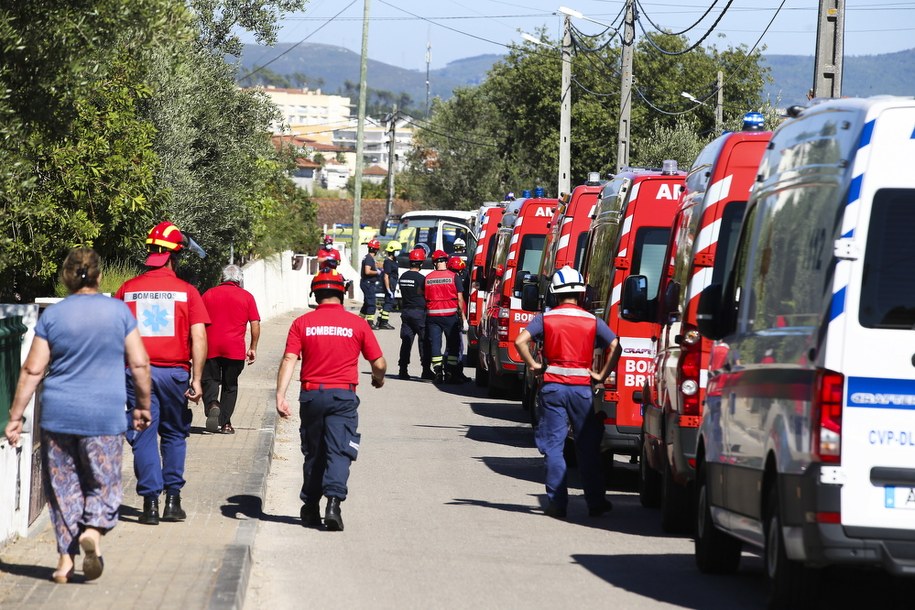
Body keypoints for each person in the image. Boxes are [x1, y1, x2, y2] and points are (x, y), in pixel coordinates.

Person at [4, 248, 152, 583]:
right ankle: (93, 532)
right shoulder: (118, 312)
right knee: (104, 481)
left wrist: (16, 416)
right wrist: (143, 405)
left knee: (63, 489)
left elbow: (32, 369)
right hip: (104, 416)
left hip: (58, 416)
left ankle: (63, 563)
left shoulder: (54, 316)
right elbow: (140, 363)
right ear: (99, 275)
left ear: (66, 277)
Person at [275, 269, 387, 531]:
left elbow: (290, 359)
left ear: (315, 294)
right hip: (343, 396)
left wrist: (280, 395)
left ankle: (310, 506)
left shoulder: (301, 323)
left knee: (314, 452)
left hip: (312, 395)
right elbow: (378, 363)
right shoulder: (357, 324)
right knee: (339, 451)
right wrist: (378, 379)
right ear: (343, 293)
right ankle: (333, 502)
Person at [116, 220, 210, 526]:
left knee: (142, 434)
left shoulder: (128, 290)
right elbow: (198, 337)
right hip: (175, 374)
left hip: (136, 374)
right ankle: (173, 501)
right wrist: (197, 379)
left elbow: (114, 334)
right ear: (175, 256)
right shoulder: (187, 292)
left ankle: (150, 504)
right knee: (173, 434)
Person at [514, 265, 620, 520]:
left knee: (554, 446)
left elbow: (520, 341)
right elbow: (616, 346)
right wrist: (602, 375)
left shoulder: (546, 318)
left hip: (552, 389)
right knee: (587, 447)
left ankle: (557, 504)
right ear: (581, 292)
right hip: (582, 391)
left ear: (555, 293)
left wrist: (535, 365)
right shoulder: (591, 320)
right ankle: (595, 503)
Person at [201, 264, 261, 434]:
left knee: (209, 380)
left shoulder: (208, 294)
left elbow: (198, 322)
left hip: (209, 347)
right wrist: (253, 347)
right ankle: (226, 424)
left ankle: (212, 404)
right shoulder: (247, 296)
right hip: (234, 349)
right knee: (230, 386)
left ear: (222, 278)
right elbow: (255, 324)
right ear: (240, 280)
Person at [424, 249, 467, 384]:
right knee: (453, 345)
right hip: (450, 316)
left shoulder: (428, 277)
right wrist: (464, 318)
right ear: (445, 261)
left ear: (434, 262)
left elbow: (422, 293)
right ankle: (450, 372)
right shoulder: (454, 277)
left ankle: (438, 371)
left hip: (433, 316)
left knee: (435, 345)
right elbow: (460, 299)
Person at [397, 247, 432, 380]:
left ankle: (403, 370)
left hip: (406, 312)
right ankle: (426, 370)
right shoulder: (421, 279)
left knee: (406, 342)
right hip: (419, 313)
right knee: (423, 342)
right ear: (421, 263)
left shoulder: (403, 277)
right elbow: (424, 294)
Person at [444, 256, 471, 383]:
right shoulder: (457, 279)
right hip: (456, 315)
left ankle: (454, 372)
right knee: (456, 346)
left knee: (453, 346)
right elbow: (460, 300)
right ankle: (453, 372)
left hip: (452, 314)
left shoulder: (447, 278)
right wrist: (464, 318)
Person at [377, 240, 401, 330]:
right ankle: (384, 323)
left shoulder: (395, 260)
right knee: (389, 303)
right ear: (392, 251)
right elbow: (386, 276)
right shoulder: (388, 262)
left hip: (393, 283)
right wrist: (388, 289)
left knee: (387, 302)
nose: (398, 252)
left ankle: (380, 320)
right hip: (389, 283)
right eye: (397, 250)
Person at [359, 238, 382, 329]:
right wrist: (377, 272)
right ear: (376, 250)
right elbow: (367, 271)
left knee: (367, 303)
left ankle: (359, 320)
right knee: (371, 302)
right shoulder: (369, 258)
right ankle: (370, 323)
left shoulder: (368, 257)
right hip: (368, 283)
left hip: (366, 283)